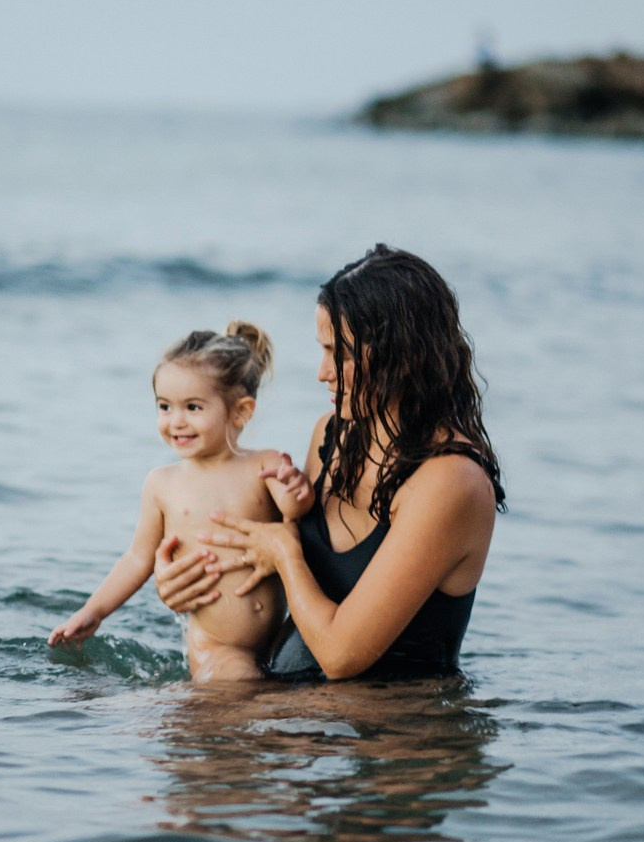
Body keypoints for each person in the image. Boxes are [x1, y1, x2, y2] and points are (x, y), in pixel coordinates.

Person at [154, 245, 505, 681]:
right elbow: (293, 590)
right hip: (299, 711)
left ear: (405, 355)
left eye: (343, 354)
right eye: (322, 350)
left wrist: (284, 550)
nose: (323, 372)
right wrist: (187, 581)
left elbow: (340, 656)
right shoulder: (333, 433)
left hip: (396, 729)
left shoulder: (452, 482)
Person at [48, 322, 315, 681]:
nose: (176, 421)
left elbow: (296, 515)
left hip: (275, 641)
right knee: (243, 687)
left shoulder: (265, 464)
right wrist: (93, 611)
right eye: (164, 406)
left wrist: (297, 488)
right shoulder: (162, 484)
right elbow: (137, 558)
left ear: (241, 411)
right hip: (217, 648)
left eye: (192, 407)